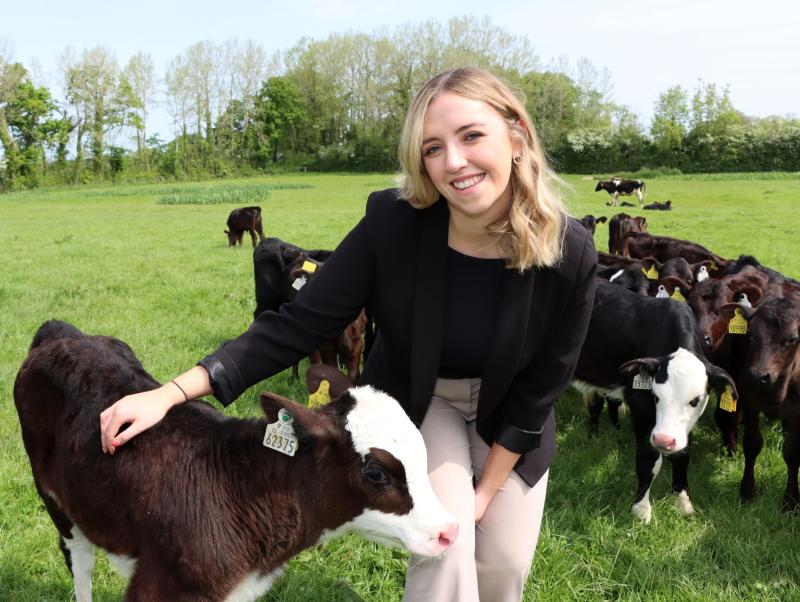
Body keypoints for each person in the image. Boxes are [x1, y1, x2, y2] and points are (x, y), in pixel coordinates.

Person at [100, 67, 597, 602]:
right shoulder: (394, 223)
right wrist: (170, 394)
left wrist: (486, 493)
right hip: (421, 399)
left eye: (471, 136)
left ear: (516, 134)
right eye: (433, 148)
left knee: (504, 564)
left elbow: (543, 386)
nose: (454, 162)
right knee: (444, 546)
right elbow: (299, 323)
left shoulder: (569, 253)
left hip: (513, 411)